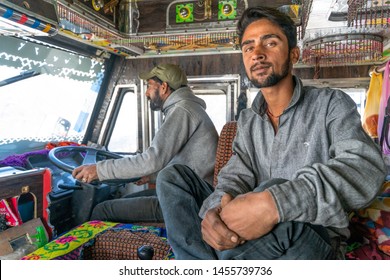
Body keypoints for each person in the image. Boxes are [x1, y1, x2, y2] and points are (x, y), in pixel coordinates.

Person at [155, 6, 387, 259]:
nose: (257, 54)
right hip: (252, 234)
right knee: (172, 177)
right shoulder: (248, 120)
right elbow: (235, 178)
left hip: (311, 234)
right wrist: (213, 213)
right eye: (248, 47)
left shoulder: (331, 104)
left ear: (294, 54)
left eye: (270, 43)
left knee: (274, 186)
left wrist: (275, 202)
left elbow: (366, 169)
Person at [72, 63, 219, 223]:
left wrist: (99, 170)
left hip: (188, 200)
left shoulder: (182, 111)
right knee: (125, 200)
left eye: (149, 86)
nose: (147, 93)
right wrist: (152, 175)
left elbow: (151, 160)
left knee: (103, 210)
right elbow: (186, 163)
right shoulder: (186, 108)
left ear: (163, 87)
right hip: (186, 192)